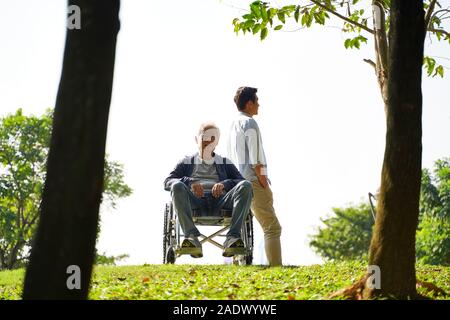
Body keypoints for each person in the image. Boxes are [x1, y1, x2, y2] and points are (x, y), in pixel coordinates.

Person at [164, 122, 253, 258]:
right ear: (196, 139)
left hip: (221, 202)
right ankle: (191, 237)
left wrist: (225, 184)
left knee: (246, 185)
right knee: (177, 186)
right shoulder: (186, 162)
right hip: (194, 202)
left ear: (216, 142)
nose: (208, 141)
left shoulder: (225, 162)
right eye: (204, 136)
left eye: (212, 138)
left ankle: (233, 238)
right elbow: (167, 182)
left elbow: (241, 182)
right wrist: (189, 181)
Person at [227, 87, 283, 266]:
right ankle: (276, 268)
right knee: (272, 228)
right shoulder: (250, 123)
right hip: (252, 181)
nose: (259, 104)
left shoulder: (233, 125)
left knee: (241, 226)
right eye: (257, 100)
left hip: (236, 183)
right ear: (249, 103)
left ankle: (237, 265)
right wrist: (264, 180)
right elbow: (256, 159)